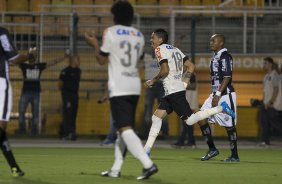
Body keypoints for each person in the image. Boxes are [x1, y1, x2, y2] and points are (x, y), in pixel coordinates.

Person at [84, 1, 158, 180]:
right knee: (122, 130)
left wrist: (94, 43)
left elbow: (102, 60)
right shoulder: (139, 35)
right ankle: (116, 169)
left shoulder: (110, 32)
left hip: (119, 86)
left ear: (115, 16)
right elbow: (139, 58)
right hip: (134, 85)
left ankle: (148, 164)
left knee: (125, 129)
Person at [143, 29, 235, 157]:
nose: (151, 40)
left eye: (153, 38)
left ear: (160, 39)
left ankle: (221, 108)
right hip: (173, 91)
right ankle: (146, 150)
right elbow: (191, 66)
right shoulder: (175, 49)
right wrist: (184, 84)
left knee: (190, 121)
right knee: (156, 117)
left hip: (173, 92)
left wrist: (153, 80)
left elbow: (164, 70)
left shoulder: (159, 50)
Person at [192, 34, 239, 162]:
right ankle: (212, 149)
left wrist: (218, 95)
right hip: (215, 94)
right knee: (199, 116)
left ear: (221, 43)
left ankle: (234, 155)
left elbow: (227, 76)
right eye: (210, 40)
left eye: (214, 40)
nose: (211, 42)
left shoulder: (225, 56)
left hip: (225, 95)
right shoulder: (215, 57)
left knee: (229, 126)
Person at [0, 26, 37, 176]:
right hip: (0, 83)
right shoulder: (1, 32)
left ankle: (14, 167)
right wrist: (29, 55)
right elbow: (13, 59)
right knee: (1, 128)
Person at [18, 52, 69, 135]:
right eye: (31, 56)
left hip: (35, 93)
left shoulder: (38, 66)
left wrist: (63, 57)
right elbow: (15, 61)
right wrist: (25, 57)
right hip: (26, 92)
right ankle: (22, 130)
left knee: (35, 113)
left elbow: (53, 62)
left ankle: (33, 131)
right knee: (22, 111)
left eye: (33, 56)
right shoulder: (24, 66)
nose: (32, 57)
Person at [142, 52, 169, 138]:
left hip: (160, 84)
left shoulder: (163, 56)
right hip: (150, 84)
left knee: (162, 109)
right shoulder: (146, 56)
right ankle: (146, 132)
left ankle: (164, 132)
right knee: (148, 109)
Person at [172, 73, 198, 148]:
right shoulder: (183, 74)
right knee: (188, 122)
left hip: (190, 102)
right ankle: (190, 141)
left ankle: (183, 141)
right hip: (186, 101)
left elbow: (193, 86)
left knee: (186, 122)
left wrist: (180, 86)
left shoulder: (190, 74)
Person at [58, 55, 81, 141]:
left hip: (75, 95)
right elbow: (60, 84)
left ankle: (72, 132)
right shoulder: (65, 71)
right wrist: (65, 94)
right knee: (68, 113)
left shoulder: (78, 71)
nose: (79, 61)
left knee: (73, 114)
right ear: (73, 60)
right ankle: (65, 133)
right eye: (78, 59)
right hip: (67, 95)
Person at [259, 57, 280, 147]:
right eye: (263, 63)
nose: (264, 65)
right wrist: (263, 101)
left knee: (276, 124)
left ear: (270, 64)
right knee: (265, 122)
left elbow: (276, 89)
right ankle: (265, 141)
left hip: (272, 104)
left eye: (265, 63)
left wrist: (271, 101)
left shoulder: (274, 75)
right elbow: (265, 91)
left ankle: (265, 140)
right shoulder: (266, 76)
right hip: (265, 103)